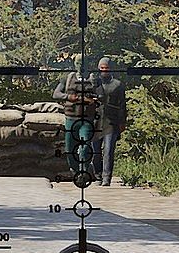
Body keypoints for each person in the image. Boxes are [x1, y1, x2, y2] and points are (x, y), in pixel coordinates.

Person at [54, 56, 129, 185]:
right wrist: (70, 97)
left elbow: (104, 97)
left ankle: (91, 175)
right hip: (73, 118)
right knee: (72, 149)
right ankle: (79, 171)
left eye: (83, 63)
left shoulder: (96, 80)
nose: (80, 65)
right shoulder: (68, 78)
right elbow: (56, 94)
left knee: (90, 148)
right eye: (78, 63)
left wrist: (93, 99)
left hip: (93, 119)